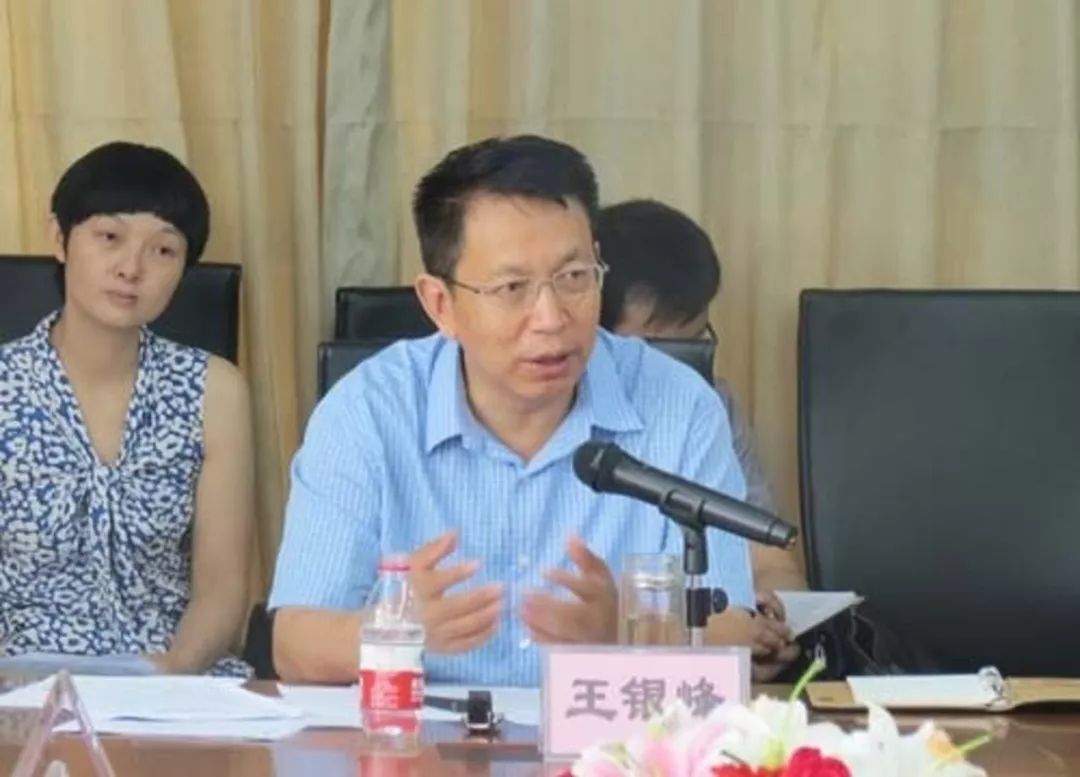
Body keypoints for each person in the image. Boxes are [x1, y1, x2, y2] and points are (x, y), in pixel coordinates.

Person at [269, 135, 760, 686]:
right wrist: (396, 627)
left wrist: (626, 629)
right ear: (440, 304)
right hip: (423, 731)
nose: (551, 318)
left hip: (600, 732)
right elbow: (294, 645)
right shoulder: (368, 410)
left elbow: (734, 633)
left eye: (573, 278)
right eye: (511, 287)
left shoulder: (681, 407)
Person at [0, 141, 253, 675]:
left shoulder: (215, 390)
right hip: (16, 681)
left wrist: (170, 675)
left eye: (163, 251)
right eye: (109, 238)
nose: (131, 268)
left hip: (171, 680)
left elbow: (223, 589)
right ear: (60, 239)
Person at [597, 198, 807, 680]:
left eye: (695, 342)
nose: (679, 369)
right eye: (658, 349)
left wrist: (771, 622)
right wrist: (694, 632)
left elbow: (769, 558)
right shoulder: (559, 409)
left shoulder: (710, 404)